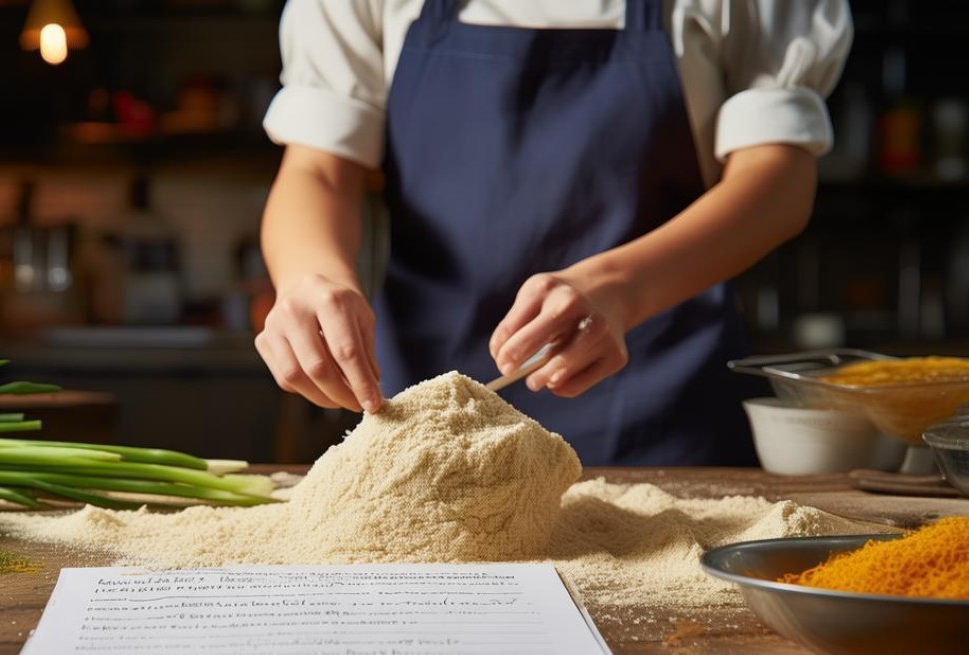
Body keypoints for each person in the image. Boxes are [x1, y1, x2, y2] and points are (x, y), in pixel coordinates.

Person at [253, 0, 852, 466]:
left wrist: (619, 288)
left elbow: (778, 184)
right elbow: (317, 169)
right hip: (418, 404)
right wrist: (312, 277)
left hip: (662, 403)